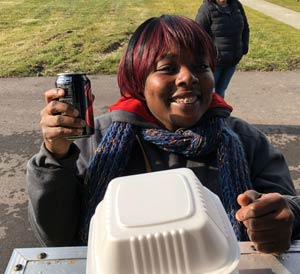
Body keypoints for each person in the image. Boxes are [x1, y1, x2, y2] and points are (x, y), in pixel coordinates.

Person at [27, 14, 299, 254]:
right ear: (138, 79)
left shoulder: (244, 140)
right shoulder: (96, 141)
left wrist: (280, 218)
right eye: (168, 68)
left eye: (201, 67)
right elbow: (57, 240)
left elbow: (288, 208)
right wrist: (54, 156)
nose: (188, 78)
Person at [195, 0, 250, 98]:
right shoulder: (207, 8)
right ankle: (206, 113)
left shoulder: (236, 5)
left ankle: (219, 112)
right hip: (215, 63)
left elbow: (245, 28)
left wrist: (243, 48)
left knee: (221, 91)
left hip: (233, 59)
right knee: (208, 92)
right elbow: (198, 35)